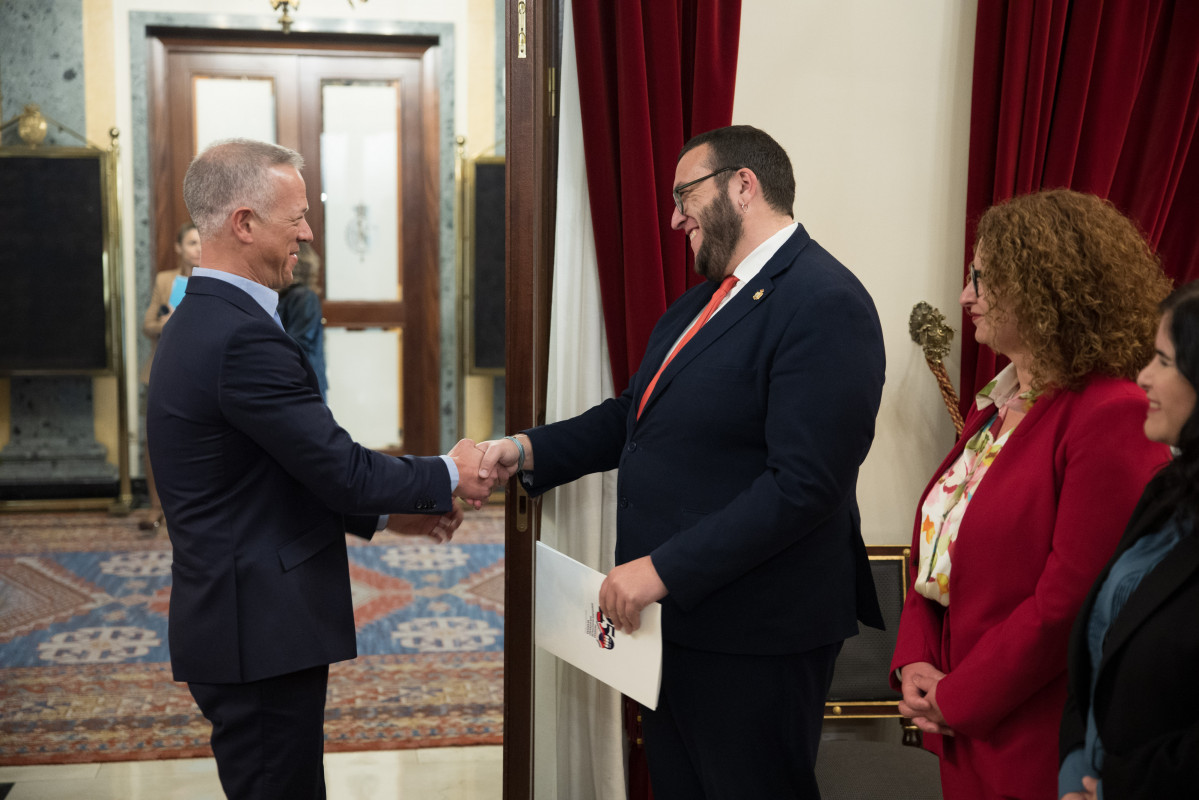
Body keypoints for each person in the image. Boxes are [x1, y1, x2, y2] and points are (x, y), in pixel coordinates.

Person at [478, 125, 886, 799]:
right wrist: (524, 450)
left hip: (758, 631)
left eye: (683, 195)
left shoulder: (824, 301)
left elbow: (804, 485)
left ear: (742, 186)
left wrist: (664, 569)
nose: (674, 217)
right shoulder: (701, 303)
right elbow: (633, 417)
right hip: (681, 625)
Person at [147, 138, 495, 800]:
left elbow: (275, 471)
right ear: (243, 223)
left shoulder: (208, 319)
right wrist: (447, 475)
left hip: (247, 625)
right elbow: (339, 468)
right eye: (296, 217)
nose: (308, 233)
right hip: (257, 635)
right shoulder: (239, 336)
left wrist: (393, 515)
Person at [891, 189, 1173, 800]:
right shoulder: (995, 407)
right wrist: (914, 660)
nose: (966, 296)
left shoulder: (1111, 413)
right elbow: (937, 555)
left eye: (983, 278)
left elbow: (1070, 600)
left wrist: (958, 696)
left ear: (1047, 286)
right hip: (964, 723)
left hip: (1036, 735)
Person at [1059, 283, 1199, 800]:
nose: (1143, 377)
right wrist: (1075, 766)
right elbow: (1101, 635)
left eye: (1164, 360)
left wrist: (1114, 789)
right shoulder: (1169, 487)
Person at [138, 220, 200, 531]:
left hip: (198, 373)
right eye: (191, 243)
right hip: (162, 372)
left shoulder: (216, 279)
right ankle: (154, 506)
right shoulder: (165, 281)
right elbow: (148, 326)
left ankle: (190, 509)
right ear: (179, 248)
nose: (198, 249)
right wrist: (170, 323)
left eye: (202, 242)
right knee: (155, 441)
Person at [278, 242, 328, 399]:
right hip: (305, 382)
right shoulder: (305, 297)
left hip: (292, 381)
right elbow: (301, 345)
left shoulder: (283, 296)